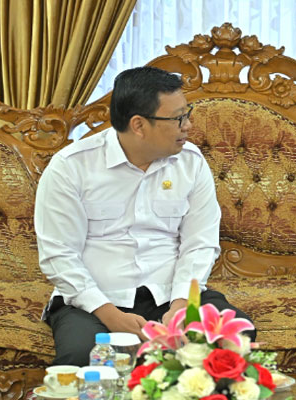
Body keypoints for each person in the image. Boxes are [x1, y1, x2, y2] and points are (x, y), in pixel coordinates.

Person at [35, 66, 254, 366]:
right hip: (94, 302)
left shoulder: (190, 163)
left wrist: (182, 304)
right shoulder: (71, 166)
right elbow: (59, 255)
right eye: (178, 118)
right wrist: (110, 315)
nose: (188, 125)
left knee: (235, 338)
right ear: (138, 125)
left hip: (170, 295)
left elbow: (200, 243)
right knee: (82, 357)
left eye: (187, 114)